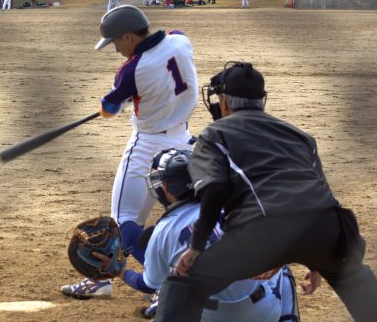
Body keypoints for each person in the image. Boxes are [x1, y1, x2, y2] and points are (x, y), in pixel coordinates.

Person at [153, 62, 377, 322]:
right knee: (355, 278)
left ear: (224, 101)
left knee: (185, 282)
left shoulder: (215, 134)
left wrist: (196, 247)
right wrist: (319, 262)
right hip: (329, 227)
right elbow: (321, 191)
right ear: (262, 101)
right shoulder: (300, 135)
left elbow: (214, 189)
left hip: (265, 228)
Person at [61, 5, 198, 299]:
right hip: (185, 144)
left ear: (128, 37)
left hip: (147, 147)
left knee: (123, 222)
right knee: (181, 215)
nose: (115, 49)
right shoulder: (179, 38)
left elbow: (110, 108)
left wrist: (110, 103)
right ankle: (106, 280)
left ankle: (157, 284)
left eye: (115, 42)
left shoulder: (131, 69)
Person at [90, 148, 300, 321]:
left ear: (166, 187)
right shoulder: (235, 203)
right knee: (281, 268)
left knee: (171, 285)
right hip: (262, 312)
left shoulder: (162, 232)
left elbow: (147, 284)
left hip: (210, 315)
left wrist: (120, 271)